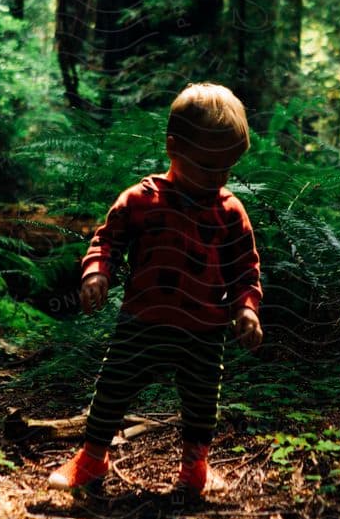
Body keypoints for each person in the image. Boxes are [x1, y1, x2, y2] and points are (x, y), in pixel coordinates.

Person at [48, 82, 264, 497]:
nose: (216, 178)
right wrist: (97, 273)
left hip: (204, 330)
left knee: (201, 403)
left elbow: (245, 270)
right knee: (113, 388)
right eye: (206, 166)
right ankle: (92, 459)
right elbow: (106, 240)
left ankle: (195, 469)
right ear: (172, 147)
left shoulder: (231, 212)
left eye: (226, 169)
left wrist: (247, 309)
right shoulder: (142, 200)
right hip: (142, 321)